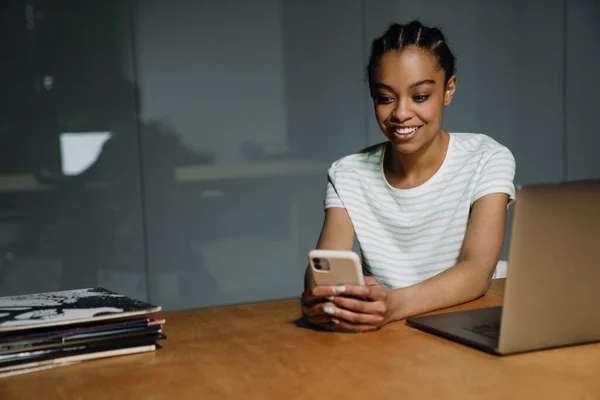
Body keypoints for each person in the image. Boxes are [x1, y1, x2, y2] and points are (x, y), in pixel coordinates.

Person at [301, 20, 516, 332]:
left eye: (420, 96)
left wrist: (394, 305)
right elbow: (326, 264)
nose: (401, 113)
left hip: (476, 319)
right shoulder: (348, 173)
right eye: (386, 98)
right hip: (396, 329)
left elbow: (476, 272)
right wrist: (321, 297)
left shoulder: (487, 158)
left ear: (448, 90)